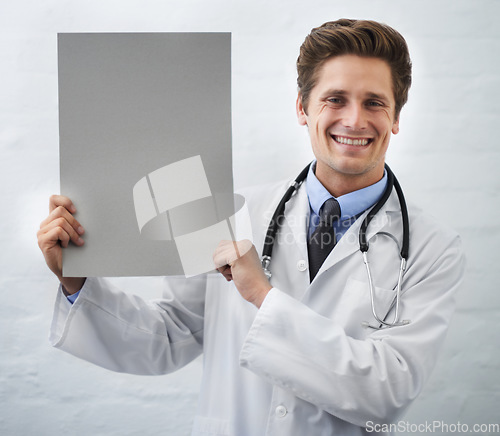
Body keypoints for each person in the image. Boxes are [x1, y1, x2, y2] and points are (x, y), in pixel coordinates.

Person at [37, 19, 465, 435]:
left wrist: (262, 295)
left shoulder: (432, 249)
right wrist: (75, 281)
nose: (354, 120)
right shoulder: (229, 214)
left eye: (374, 102)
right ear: (302, 108)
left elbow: (386, 394)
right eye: (335, 99)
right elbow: (168, 338)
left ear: (395, 117)